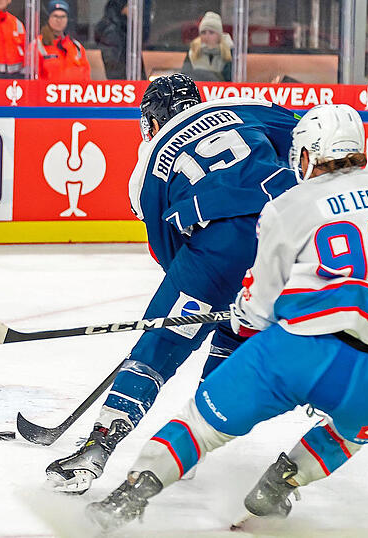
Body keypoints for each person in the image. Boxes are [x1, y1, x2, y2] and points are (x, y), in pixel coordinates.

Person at [85, 104, 368, 530]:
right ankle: (280, 484)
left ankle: (130, 495)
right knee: (354, 431)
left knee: (200, 426)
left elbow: (258, 313)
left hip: (296, 352)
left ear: (308, 154)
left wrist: (238, 314)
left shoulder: (287, 205)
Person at [44, 74, 301, 494]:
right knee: (235, 333)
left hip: (217, 248)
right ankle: (191, 441)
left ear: (153, 118)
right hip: (289, 237)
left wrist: (191, 304)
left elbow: (169, 252)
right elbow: (302, 137)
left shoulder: (147, 163)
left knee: (158, 348)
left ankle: (96, 450)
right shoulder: (242, 106)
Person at [34, 0, 90, 81]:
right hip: (47, 92)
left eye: (63, 16)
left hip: (73, 92)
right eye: (55, 16)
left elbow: (86, 79)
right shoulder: (37, 45)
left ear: (67, 19)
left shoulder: (77, 47)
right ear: (48, 18)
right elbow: (32, 82)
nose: (59, 20)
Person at [181, 11, 232, 82]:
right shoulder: (193, 51)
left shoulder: (229, 52)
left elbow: (230, 80)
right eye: (203, 32)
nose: (206, 36)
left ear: (219, 36)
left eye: (211, 32)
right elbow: (185, 77)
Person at [94, 0, 127, 79]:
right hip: (119, 81)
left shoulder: (124, 27)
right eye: (127, 6)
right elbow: (112, 61)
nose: (131, 10)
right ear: (121, 8)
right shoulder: (112, 31)